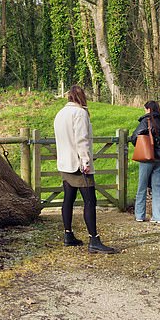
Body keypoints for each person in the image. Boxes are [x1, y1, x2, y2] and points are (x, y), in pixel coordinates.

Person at [53, 85, 117, 254]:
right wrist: (86, 161)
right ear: (81, 97)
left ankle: (68, 235)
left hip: (64, 163)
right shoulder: (79, 113)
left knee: (69, 198)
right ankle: (94, 240)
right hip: (78, 164)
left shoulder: (60, 114)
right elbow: (82, 140)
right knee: (90, 201)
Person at [131, 100, 160, 224]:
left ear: (148, 109)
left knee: (142, 187)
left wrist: (141, 146)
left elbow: (134, 137)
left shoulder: (146, 122)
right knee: (158, 188)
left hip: (147, 158)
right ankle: (158, 216)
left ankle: (140, 214)